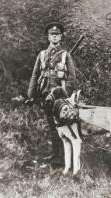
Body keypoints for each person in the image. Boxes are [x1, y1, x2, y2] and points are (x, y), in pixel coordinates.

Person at [26, 22, 76, 167]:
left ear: (61, 37)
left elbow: (72, 78)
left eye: (57, 35)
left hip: (60, 97)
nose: (54, 37)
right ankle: (56, 156)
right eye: (52, 35)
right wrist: (31, 94)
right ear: (48, 37)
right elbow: (35, 75)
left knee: (63, 127)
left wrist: (67, 97)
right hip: (45, 95)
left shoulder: (65, 55)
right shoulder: (42, 55)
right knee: (52, 127)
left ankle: (65, 159)